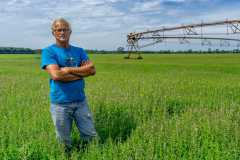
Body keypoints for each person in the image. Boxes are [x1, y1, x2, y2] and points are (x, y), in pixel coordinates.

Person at [41, 18, 97, 152]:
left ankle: (91, 154)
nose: (62, 32)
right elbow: (56, 75)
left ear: (70, 32)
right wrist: (82, 72)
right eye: (58, 30)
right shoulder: (49, 51)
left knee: (90, 135)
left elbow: (92, 70)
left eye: (65, 29)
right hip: (60, 104)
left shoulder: (79, 51)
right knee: (64, 140)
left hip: (80, 102)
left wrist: (69, 69)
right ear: (53, 33)